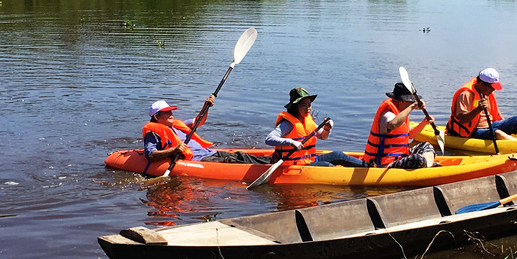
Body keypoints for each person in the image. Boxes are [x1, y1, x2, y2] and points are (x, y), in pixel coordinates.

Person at [143, 96, 272, 164]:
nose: (171, 114)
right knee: (235, 160)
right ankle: (272, 165)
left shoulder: (177, 124)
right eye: (166, 112)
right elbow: (150, 156)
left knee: (241, 155)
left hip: (208, 153)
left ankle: (274, 159)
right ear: (156, 116)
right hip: (199, 159)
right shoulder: (153, 133)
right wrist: (174, 150)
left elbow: (199, 120)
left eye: (170, 111)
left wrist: (206, 106)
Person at [265, 87, 365, 167]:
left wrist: (327, 129)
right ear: (295, 107)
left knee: (338, 155)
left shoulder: (308, 120)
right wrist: (291, 142)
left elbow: (322, 136)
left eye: (309, 104)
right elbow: (269, 139)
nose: (308, 108)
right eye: (304, 105)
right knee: (327, 166)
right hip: (295, 165)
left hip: (310, 159)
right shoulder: (287, 124)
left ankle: (368, 166)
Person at [445, 68, 517, 141]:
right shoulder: (466, 94)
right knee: (496, 132)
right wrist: (478, 109)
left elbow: (496, 112)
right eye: (491, 87)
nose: (493, 90)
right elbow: (462, 119)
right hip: (471, 132)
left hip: (489, 125)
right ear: (482, 84)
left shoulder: (486, 91)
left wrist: (506, 124)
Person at [362, 82, 437, 168]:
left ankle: (427, 166)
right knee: (418, 159)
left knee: (426, 146)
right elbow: (393, 125)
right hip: (385, 163)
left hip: (400, 157)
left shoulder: (401, 114)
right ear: (402, 101)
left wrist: (424, 122)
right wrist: (412, 107)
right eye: (411, 101)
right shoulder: (388, 114)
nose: (412, 102)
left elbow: (410, 134)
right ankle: (425, 165)